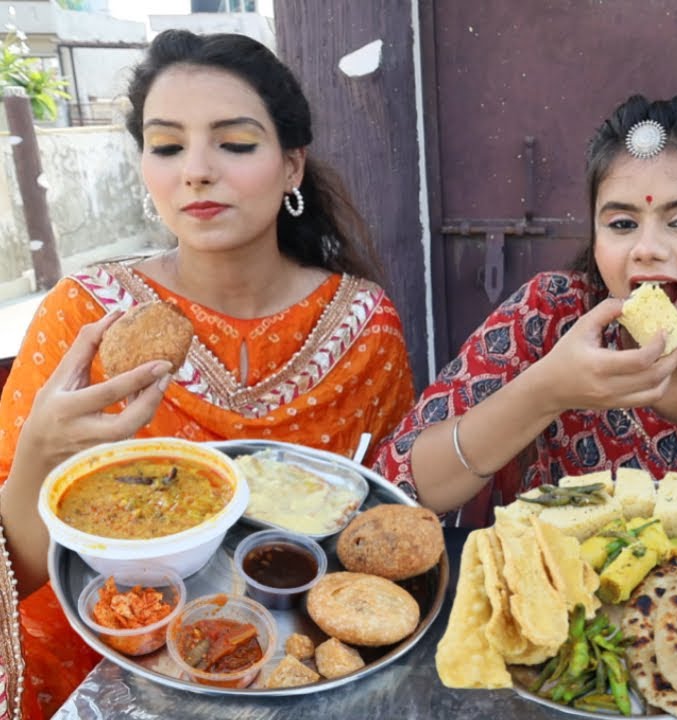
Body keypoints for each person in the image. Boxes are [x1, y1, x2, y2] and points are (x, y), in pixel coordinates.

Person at [0, 30, 415, 717]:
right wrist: (42, 456)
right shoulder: (87, 318)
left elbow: (382, 524)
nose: (195, 169)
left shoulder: (363, 324)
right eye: (166, 146)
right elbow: (18, 573)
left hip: (300, 667)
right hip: (104, 664)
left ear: (292, 167)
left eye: (235, 142)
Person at [375, 94, 677, 526]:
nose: (646, 248)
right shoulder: (550, 315)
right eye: (622, 223)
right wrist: (547, 392)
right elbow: (398, 485)